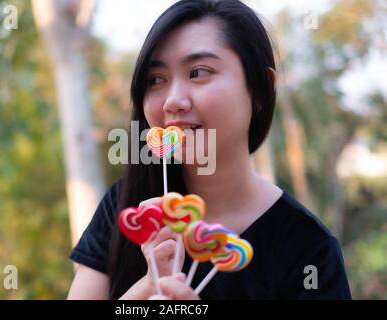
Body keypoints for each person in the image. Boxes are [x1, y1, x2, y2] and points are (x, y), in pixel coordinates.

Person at [67, 0, 352, 300]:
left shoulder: (308, 249)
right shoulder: (130, 208)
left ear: (261, 88)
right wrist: (147, 288)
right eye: (156, 79)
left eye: (199, 72)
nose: (172, 101)